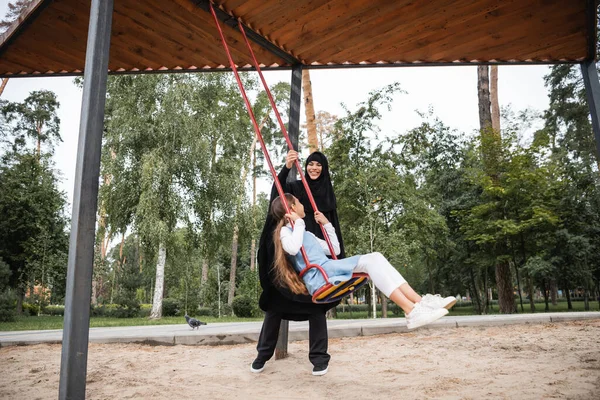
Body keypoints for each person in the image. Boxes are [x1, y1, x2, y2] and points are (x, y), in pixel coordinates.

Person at [270, 193, 456, 330]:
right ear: (292, 208)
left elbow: (334, 250)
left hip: (329, 267)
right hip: (321, 275)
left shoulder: (306, 233)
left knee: (376, 258)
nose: (303, 204)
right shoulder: (286, 232)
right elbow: (293, 248)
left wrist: (326, 224)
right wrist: (299, 224)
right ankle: (410, 310)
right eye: (299, 202)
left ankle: (420, 302)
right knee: (372, 261)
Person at [252, 150, 342, 377]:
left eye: (318, 165)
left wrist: (333, 256)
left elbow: (333, 228)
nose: (314, 168)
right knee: (276, 303)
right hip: (291, 250)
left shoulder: (328, 194)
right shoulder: (296, 188)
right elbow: (278, 197)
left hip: (314, 253)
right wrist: (286, 167)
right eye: (310, 164)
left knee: (316, 304)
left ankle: (319, 358)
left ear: (324, 168)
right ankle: (263, 355)